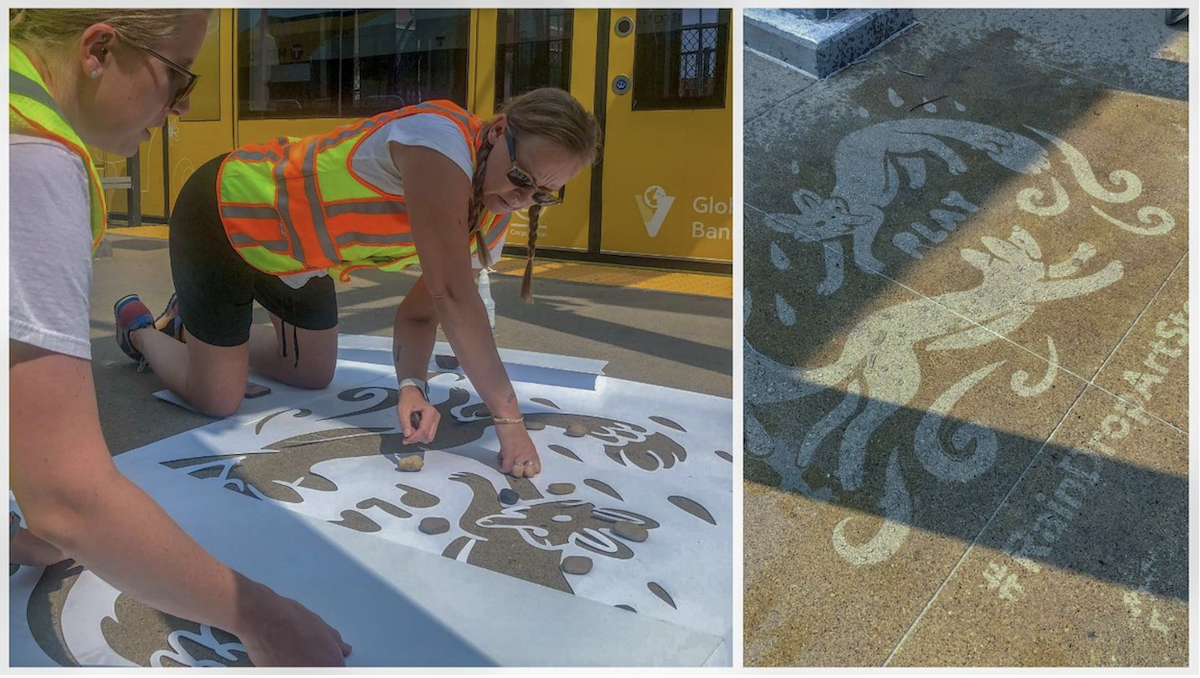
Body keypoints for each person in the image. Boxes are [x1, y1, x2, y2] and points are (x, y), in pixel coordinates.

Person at [9, 9, 351, 666]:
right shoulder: (31, 162)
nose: (181, 111)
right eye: (177, 79)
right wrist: (260, 614)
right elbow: (66, 499)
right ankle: (146, 333)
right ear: (97, 50)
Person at [118, 88, 603, 480]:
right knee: (217, 399)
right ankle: (141, 328)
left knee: (312, 374)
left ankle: (193, 328)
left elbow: (419, 315)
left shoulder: (492, 216)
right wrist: (509, 421)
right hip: (227, 215)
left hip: (297, 259)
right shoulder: (438, 138)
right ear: (498, 131)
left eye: (543, 194)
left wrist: (411, 386)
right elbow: (452, 296)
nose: (521, 200)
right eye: (521, 177)